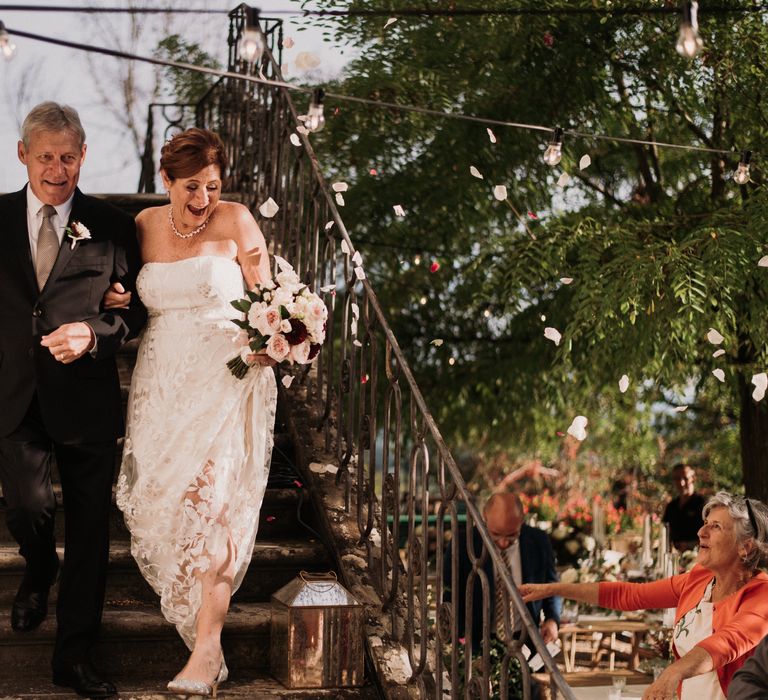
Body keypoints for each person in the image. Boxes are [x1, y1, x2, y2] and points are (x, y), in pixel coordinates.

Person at [114, 128, 277, 697]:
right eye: (190, 186)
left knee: (213, 507)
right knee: (169, 505)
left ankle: (207, 648)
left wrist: (275, 337)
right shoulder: (141, 227)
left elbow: (271, 301)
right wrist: (113, 298)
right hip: (160, 384)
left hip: (225, 379)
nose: (202, 198)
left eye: (211, 185)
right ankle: (202, 635)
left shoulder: (236, 221)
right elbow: (123, 295)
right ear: (166, 181)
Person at [0, 102, 146, 697]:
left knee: (90, 532)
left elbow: (137, 312)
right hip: (12, 395)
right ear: (22, 155)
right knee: (28, 509)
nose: (56, 170)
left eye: (67, 157)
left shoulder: (112, 224)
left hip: (86, 399)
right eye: (45, 157)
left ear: (83, 156)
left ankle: (74, 655)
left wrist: (94, 334)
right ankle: (38, 570)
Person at [521, 491, 768, 700]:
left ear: (745, 547)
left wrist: (673, 673)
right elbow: (630, 595)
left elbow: (726, 643)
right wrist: (552, 589)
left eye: (716, 527)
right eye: (706, 523)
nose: (702, 532)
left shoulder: (762, 594)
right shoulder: (700, 578)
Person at [444, 492, 561, 649]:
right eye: (496, 534)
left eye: (512, 535)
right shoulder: (464, 544)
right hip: (477, 642)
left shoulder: (539, 541)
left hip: (526, 640)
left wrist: (552, 619)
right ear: (485, 517)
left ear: (521, 520)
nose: (504, 543)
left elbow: (551, 586)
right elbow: (450, 594)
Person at [662, 463, 706, 552]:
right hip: (673, 558)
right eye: (677, 479)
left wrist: (689, 545)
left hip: (697, 557)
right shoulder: (671, 506)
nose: (681, 483)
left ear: (693, 478)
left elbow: (712, 536)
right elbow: (664, 534)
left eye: (685, 478)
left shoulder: (703, 504)